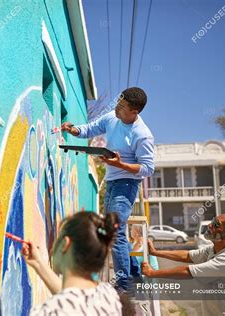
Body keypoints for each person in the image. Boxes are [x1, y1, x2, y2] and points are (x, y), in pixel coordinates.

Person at [61, 87, 155, 292]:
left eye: (122, 107)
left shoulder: (142, 135)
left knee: (115, 232)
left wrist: (120, 165)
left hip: (127, 184)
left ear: (134, 111)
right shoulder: (112, 117)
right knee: (113, 230)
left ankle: (124, 286)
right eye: (118, 104)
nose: (116, 109)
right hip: (112, 182)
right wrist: (73, 129)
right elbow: (91, 128)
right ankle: (135, 274)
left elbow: (147, 168)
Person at [141, 212, 225, 315]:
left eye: (216, 225)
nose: (210, 225)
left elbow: (188, 271)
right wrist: (155, 252)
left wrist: (152, 273)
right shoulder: (215, 248)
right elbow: (187, 255)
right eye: (213, 221)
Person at [21, 212, 122, 315]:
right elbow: (73, 300)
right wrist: (38, 263)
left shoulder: (48, 312)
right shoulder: (108, 296)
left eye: (58, 237)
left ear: (65, 244)